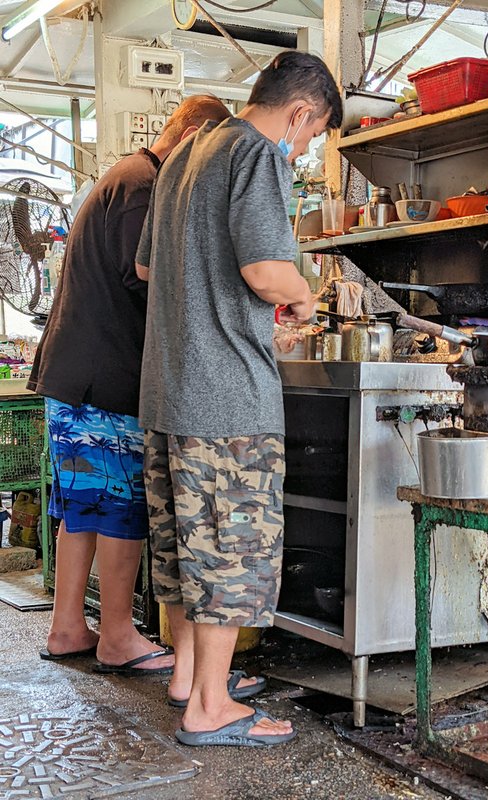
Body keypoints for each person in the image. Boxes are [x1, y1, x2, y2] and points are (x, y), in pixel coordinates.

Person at [135, 50, 343, 745]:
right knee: (230, 551)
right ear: (300, 112)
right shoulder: (257, 153)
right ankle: (212, 709)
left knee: (185, 550)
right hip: (226, 399)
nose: (304, 148)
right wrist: (303, 300)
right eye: (311, 137)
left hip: (168, 392)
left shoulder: (189, 153)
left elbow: (149, 264)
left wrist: (237, 309)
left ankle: (190, 679)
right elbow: (263, 267)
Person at [27, 95, 231, 674]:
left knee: (83, 506)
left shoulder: (126, 177)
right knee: (119, 504)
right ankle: (117, 635)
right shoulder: (145, 185)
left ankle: (69, 626)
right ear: (192, 136)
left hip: (76, 375)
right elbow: (148, 277)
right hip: (104, 380)